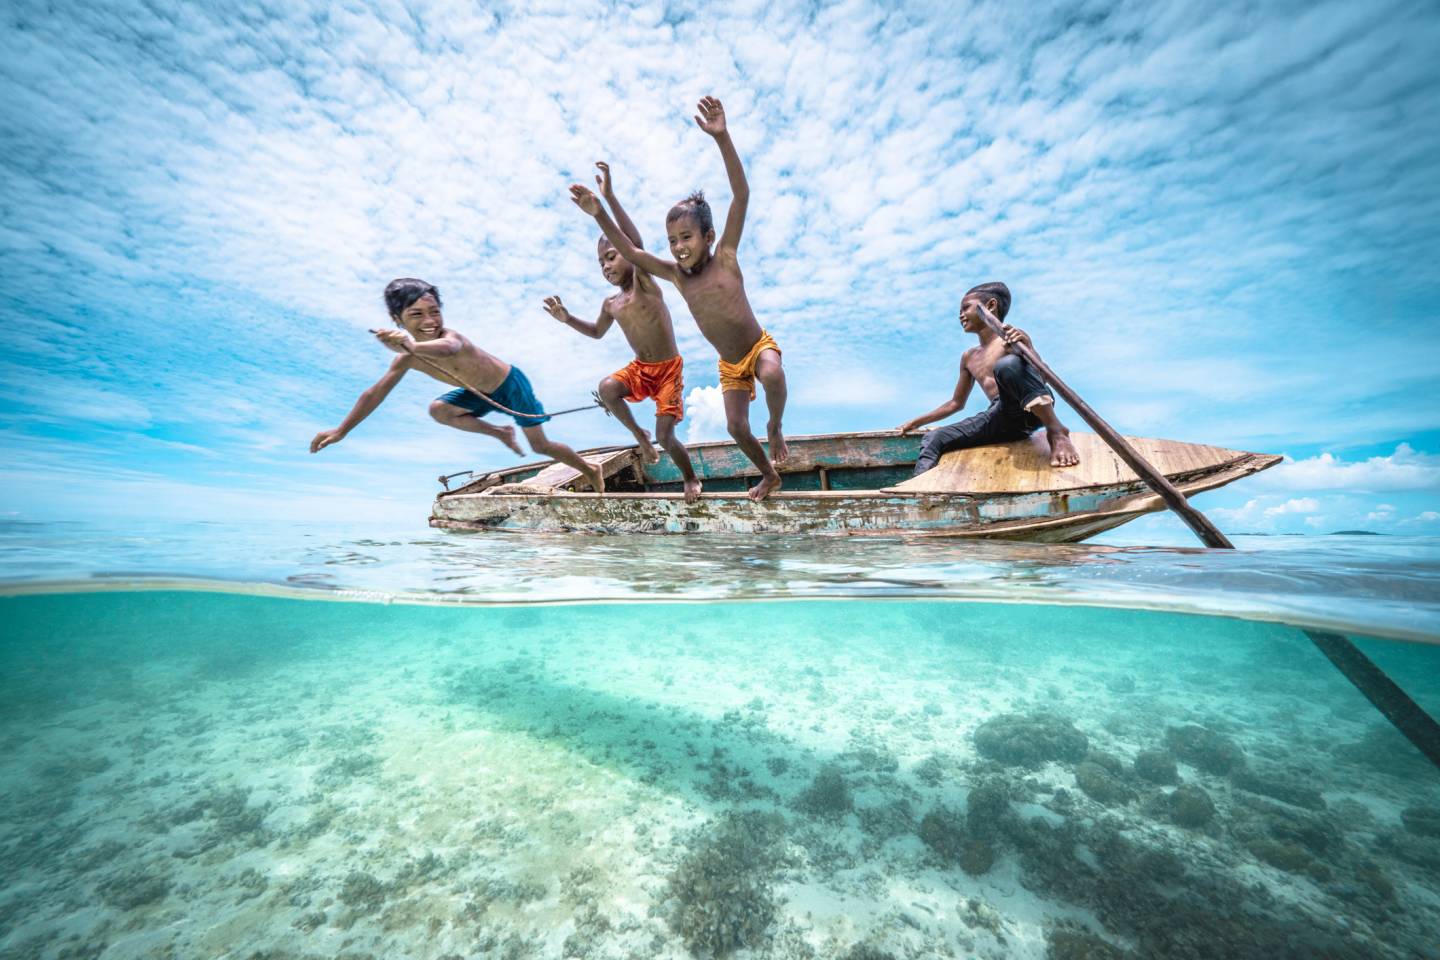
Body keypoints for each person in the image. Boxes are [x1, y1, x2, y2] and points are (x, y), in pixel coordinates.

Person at [569, 96, 787, 501]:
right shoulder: (674, 276)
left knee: (772, 374)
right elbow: (634, 253)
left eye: (686, 238)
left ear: (707, 237)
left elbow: (741, 195)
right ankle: (769, 475)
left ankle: (775, 425)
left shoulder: (726, 256)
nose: (678, 247)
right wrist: (598, 214)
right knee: (736, 428)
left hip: (757, 348)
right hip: (730, 365)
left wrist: (722, 137)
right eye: (672, 241)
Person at [310, 278, 605, 493]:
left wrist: (410, 346)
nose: (430, 320)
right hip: (477, 393)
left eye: (434, 311)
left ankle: (589, 468)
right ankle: (500, 432)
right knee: (439, 410)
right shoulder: (405, 358)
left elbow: (448, 349)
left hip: (510, 384)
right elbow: (375, 393)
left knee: (541, 445)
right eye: (416, 314)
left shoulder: (451, 337)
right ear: (396, 319)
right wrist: (341, 430)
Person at [545, 162, 703, 503]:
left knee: (667, 435)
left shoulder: (645, 284)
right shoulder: (611, 303)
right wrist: (567, 317)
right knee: (607, 388)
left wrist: (608, 202)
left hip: (667, 371)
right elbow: (596, 332)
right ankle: (640, 436)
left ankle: (690, 477)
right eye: (601, 262)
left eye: (612, 257)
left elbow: (634, 242)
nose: (606, 266)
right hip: (640, 368)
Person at [898, 282, 1081, 475]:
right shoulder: (969, 357)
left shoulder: (1010, 338)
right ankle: (919, 490)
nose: (960, 315)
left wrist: (1026, 346)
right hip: (1000, 417)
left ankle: (1057, 432)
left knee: (1007, 365)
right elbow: (955, 403)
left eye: (966, 307)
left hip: (1031, 407)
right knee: (934, 438)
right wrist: (917, 422)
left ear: (991, 306)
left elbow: (1042, 377)